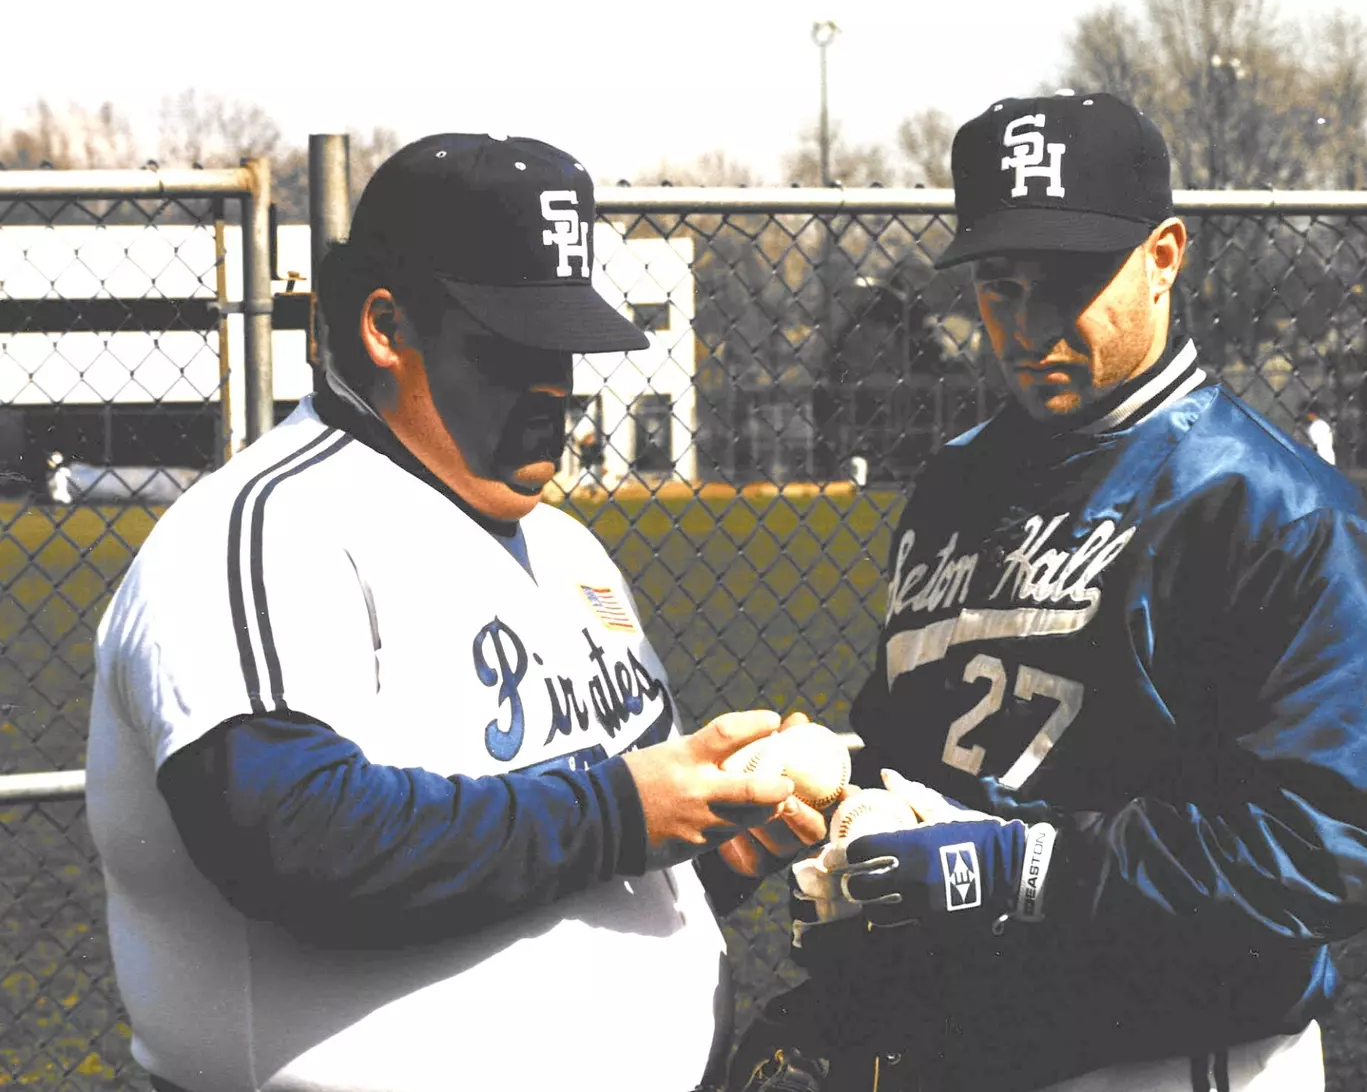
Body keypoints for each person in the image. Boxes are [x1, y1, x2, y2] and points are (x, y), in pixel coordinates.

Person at [85, 134, 833, 1092]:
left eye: (564, 348)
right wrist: (624, 815)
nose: (554, 387)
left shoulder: (567, 548)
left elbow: (583, 861)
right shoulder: (269, 528)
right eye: (512, 348)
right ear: (385, 327)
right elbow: (290, 835)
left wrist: (714, 847)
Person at [730, 92, 1367, 1092]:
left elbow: (1317, 854)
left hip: (1175, 1051)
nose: (1030, 324)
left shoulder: (1274, 510)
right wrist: (842, 799)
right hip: (977, 1036)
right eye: (1001, 285)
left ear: (1164, 256)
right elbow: (921, 742)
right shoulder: (956, 483)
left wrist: (1020, 868)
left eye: (1071, 281)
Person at [1305, 401, 1335, 466]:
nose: (1307, 416)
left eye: (1308, 414)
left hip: (1320, 458)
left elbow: (1312, 445)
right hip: (1329, 458)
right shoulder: (1324, 424)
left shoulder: (1315, 425)